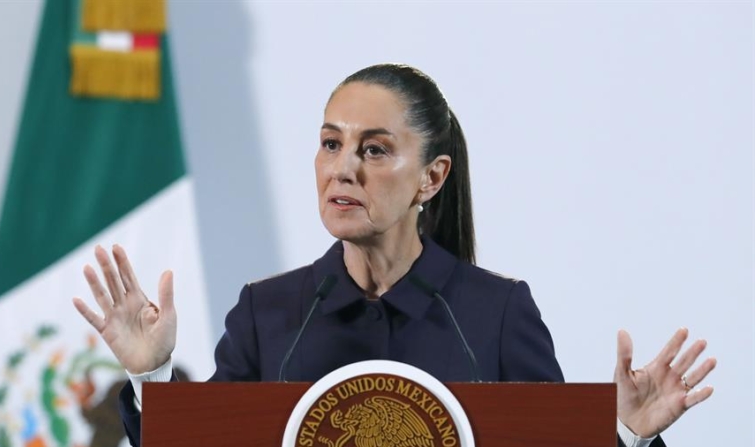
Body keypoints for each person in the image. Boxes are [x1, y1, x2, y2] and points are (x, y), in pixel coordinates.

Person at [72, 64, 716, 447]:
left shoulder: (496, 312)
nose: (342, 169)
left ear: (431, 178)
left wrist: (625, 435)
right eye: (330, 144)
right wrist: (152, 378)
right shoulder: (266, 313)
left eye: (374, 150)